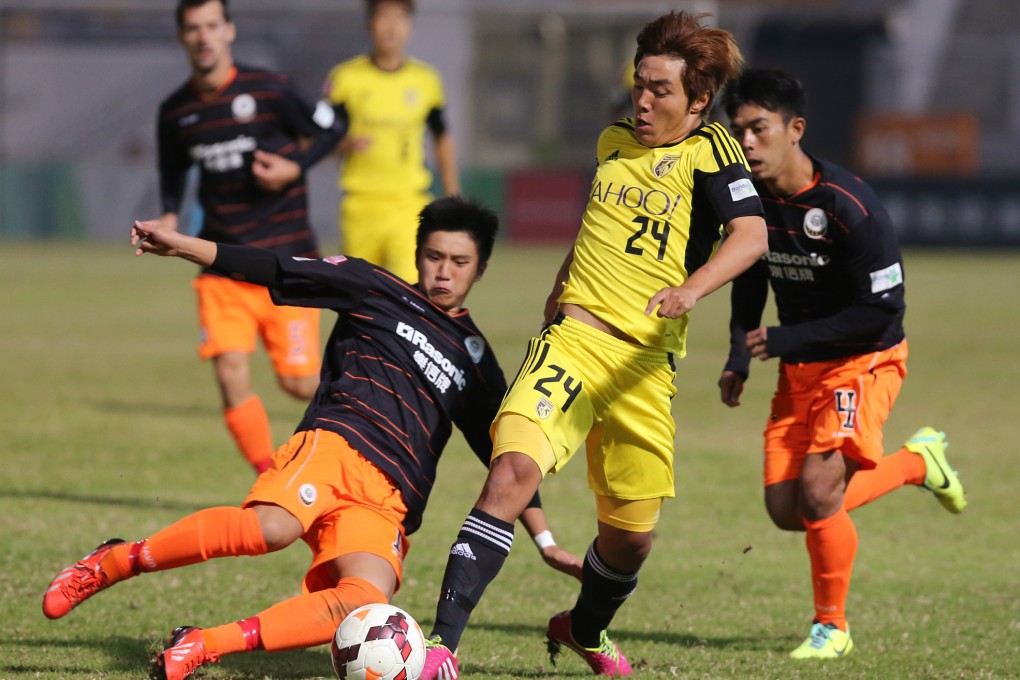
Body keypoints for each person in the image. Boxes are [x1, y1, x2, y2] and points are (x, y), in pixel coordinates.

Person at [41, 197, 582, 680]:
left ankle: (204, 645)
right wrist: (184, 246)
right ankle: (116, 560)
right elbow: (276, 267)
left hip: (389, 499)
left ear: (481, 268)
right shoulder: (373, 286)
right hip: (336, 445)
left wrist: (545, 540)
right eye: (434, 257)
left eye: (459, 263)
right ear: (418, 254)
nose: (443, 273)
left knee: (363, 601)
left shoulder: (475, 358)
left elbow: (506, 459)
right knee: (270, 528)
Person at [419, 12, 768, 679]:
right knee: (510, 475)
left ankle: (583, 628)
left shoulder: (713, 151)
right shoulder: (612, 142)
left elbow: (750, 237)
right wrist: (560, 286)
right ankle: (439, 650)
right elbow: (597, 229)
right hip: (572, 345)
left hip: (644, 368)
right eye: (639, 84)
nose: (642, 100)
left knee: (631, 542)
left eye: (660, 90)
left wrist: (692, 290)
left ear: (697, 100)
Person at [717, 68, 968, 659]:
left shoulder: (852, 208)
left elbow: (883, 312)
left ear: (794, 129)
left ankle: (832, 627)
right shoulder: (752, 204)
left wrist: (784, 339)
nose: (747, 142)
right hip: (799, 367)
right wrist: (739, 355)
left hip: (864, 360)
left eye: (759, 128)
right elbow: (749, 276)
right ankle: (916, 462)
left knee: (820, 488)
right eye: (739, 131)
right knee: (788, 510)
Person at [154, 0, 348, 474]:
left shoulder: (270, 90)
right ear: (183, 36)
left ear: (229, 31)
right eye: (193, 28)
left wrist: (293, 167)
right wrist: (169, 214)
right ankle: (271, 477)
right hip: (222, 262)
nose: (203, 37)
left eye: (212, 26)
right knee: (230, 371)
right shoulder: (176, 112)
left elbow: (334, 127)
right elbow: (173, 172)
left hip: (289, 264)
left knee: (301, 386)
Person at [322, 0, 459, 282]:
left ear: (410, 27)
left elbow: (442, 136)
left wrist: (451, 192)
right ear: (369, 24)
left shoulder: (426, 80)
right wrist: (345, 144)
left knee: (410, 290)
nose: (392, 27)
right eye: (384, 17)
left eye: (400, 18)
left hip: (409, 203)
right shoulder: (346, 78)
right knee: (357, 293)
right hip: (361, 204)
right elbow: (318, 141)